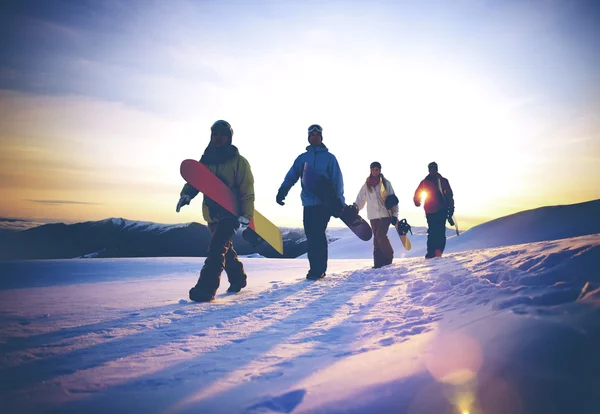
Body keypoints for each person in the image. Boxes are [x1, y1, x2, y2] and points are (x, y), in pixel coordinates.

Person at [176, 120, 254, 302]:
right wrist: (187, 194)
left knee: (216, 249)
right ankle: (238, 278)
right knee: (225, 250)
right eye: (215, 134)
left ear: (229, 137)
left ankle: (205, 289)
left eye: (223, 134)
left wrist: (246, 214)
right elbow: (196, 180)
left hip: (231, 213)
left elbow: (247, 189)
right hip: (212, 212)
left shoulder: (239, 162)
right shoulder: (207, 159)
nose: (218, 138)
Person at [276, 124, 345, 280]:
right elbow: (292, 175)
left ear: (321, 137)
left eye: (317, 134)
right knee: (310, 235)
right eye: (311, 134)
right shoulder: (302, 158)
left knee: (318, 234)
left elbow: (337, 180)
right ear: (309, 137)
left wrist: (339, 202)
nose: (314, 137)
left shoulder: (329, 158)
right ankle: (314, 267)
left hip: (324, 203)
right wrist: (283, 190)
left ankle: (318, 270)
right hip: (308, 203)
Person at [353, 161, 399, 268]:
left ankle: (388, 257)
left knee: (380, 235)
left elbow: (393, 199)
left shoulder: (386, 183)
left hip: (385, 215)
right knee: (376, 240)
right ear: (370, 170)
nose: (375, 171)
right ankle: (378, 263)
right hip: (373, 216)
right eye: (373, 169)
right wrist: (355, 208)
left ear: (380, 170)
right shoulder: (366, 185)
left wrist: (395, 214)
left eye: (377, 169)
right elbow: (360, 199)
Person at [413, 161, 454, 259]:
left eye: (434, 168)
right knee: (433, 231)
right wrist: (417, 201)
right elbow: (418, 193)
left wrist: (451, 208)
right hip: (430, 211)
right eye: (431, 168)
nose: (432, 170)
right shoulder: (425, 182)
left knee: (439, 231)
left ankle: (437, 251)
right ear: (428, 170)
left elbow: (449, 195)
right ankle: (432, 252)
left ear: (436, 169)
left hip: (441, 210)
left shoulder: (443, 181)